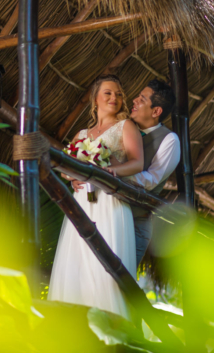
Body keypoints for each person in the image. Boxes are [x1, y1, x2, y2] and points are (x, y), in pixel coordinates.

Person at [48, 75, 144, 319]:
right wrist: (72, 178)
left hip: (110, 202)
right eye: (108, 93)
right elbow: (66, 166)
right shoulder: (82, 134)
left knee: (106, 264)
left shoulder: (126, 127)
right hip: (82, 203)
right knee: (77, 261)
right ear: (96, 99)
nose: (115, 98)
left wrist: (111, 172)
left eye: (119, 94)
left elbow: (137, 163)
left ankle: (112, 324)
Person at [104, 79, 180, 265]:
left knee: (121, 281)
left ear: (156, 111)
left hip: (135, 221)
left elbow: (151, 180)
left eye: (142, 99)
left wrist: (115, 169)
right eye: (137, 97)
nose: (134, 101)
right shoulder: (123, 127)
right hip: (106, 213)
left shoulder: (169, 140)